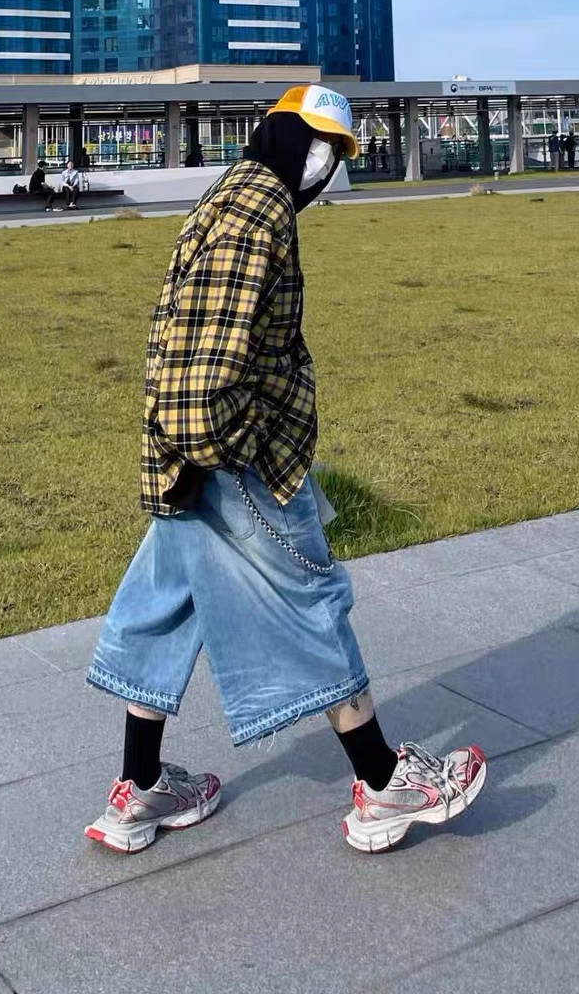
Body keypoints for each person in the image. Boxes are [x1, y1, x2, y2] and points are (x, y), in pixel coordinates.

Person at [83, 84, 487, 857]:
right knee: (312, 596)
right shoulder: (259, 206)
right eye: (318, 145)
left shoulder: (234, 191)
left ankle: (139, 788)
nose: (324, 167)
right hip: (237, 457)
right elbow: (208, 355)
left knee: (166, 604)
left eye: (335, 155)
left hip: (189, 457)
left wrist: (188, 449)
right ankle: (383, 785)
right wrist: (230, 445)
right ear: (283, 137)